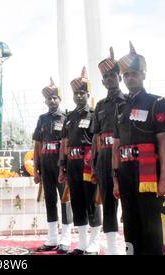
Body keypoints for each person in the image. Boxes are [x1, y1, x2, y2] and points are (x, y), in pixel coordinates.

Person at [112, 42, 165, 255]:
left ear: (143, 75)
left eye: (134, 74)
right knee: (129, 222)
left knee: (150, 225)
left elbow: (163, 142)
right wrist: (115, 180)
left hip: (147, 175)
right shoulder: (120, 108)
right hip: (126, 172)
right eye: (126, 75)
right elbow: (115, 147)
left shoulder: (156, 103)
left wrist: (164, 178)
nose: (129, 78)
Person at [59, 67, 102, 255]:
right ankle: (82, 243)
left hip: (87, 162)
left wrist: (95, 165)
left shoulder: (93, 114)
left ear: (88, 94)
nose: (78, 96)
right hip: (72, 163)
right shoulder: (69, 117)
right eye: (76, 93)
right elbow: (64, 143)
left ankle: (95, 242)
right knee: (77, 202)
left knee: (91, 201)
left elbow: (96, 141)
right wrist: (63, 167)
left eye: (82, 93)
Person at [91, 47, 126, 255]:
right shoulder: (101, 105)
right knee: (109, 205)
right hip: (104, 158)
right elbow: (95, 136)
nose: (109, 79)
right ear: (102, 81)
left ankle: (131, 246)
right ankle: (113, 250)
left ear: (119, 77)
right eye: (106, 76)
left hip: (126, 158)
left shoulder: (128, 101)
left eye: (113, 75)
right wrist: (94, 164)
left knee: (128, 202)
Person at [32, 78, 73, 254]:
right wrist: (36, 169)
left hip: (60, 164)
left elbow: (68, 144)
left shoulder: (67, 118)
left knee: (65, 200)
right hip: (46, 164)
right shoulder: (41, 119)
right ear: (46, 101)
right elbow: (37, 145)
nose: (52, 101)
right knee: (50, 200)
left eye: (55, 98)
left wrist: (65, 166)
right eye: (49, 98)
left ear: (60, 99)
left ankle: (66, 239)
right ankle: (52, 238)